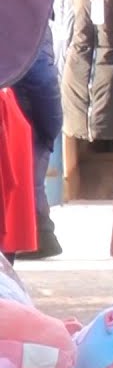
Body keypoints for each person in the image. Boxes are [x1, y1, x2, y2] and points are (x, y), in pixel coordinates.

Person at [10, 29, 62, 259]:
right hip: (18, 119)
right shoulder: (29, 12)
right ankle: (37, 235)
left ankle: (39, 234)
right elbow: (43, 79)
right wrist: (51, 127)